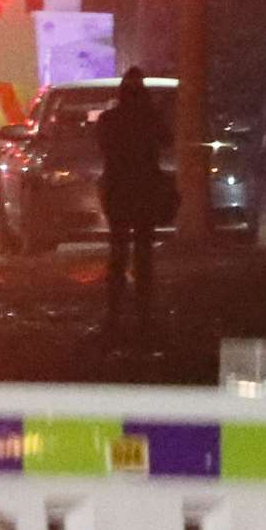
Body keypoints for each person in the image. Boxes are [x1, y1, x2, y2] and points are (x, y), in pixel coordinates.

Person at [97, 67, 171, 334]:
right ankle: (143, 314)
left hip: (119, 192)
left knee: (118, 254)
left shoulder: (109, 119)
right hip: (144, 191)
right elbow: (167, 139)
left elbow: (103, 146)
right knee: (143, 255)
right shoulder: (151, 118)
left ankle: (114, 314)